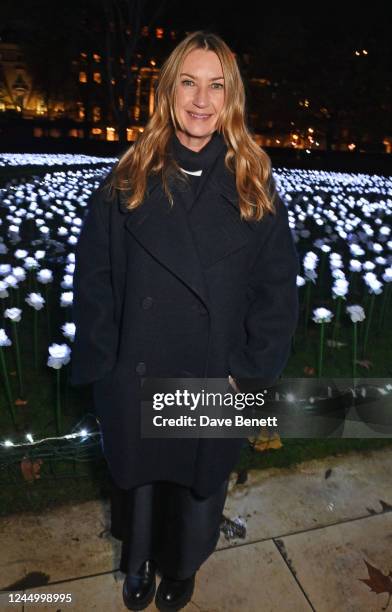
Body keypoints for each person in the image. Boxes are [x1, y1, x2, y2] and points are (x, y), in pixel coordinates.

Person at [70, 30, 300, 611]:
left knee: (199, 487)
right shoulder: (125, 181)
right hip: (137, 372)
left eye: (216, 86)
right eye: (188, 83)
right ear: (167, 92)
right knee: (141, 486)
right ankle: (140, 559)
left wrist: (246, 377)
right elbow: (93, 283)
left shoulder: (256, 188)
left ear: (233, 99)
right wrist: (104, 367)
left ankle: (182, 566)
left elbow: (276, 296)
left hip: (216, 376)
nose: (201, 100)